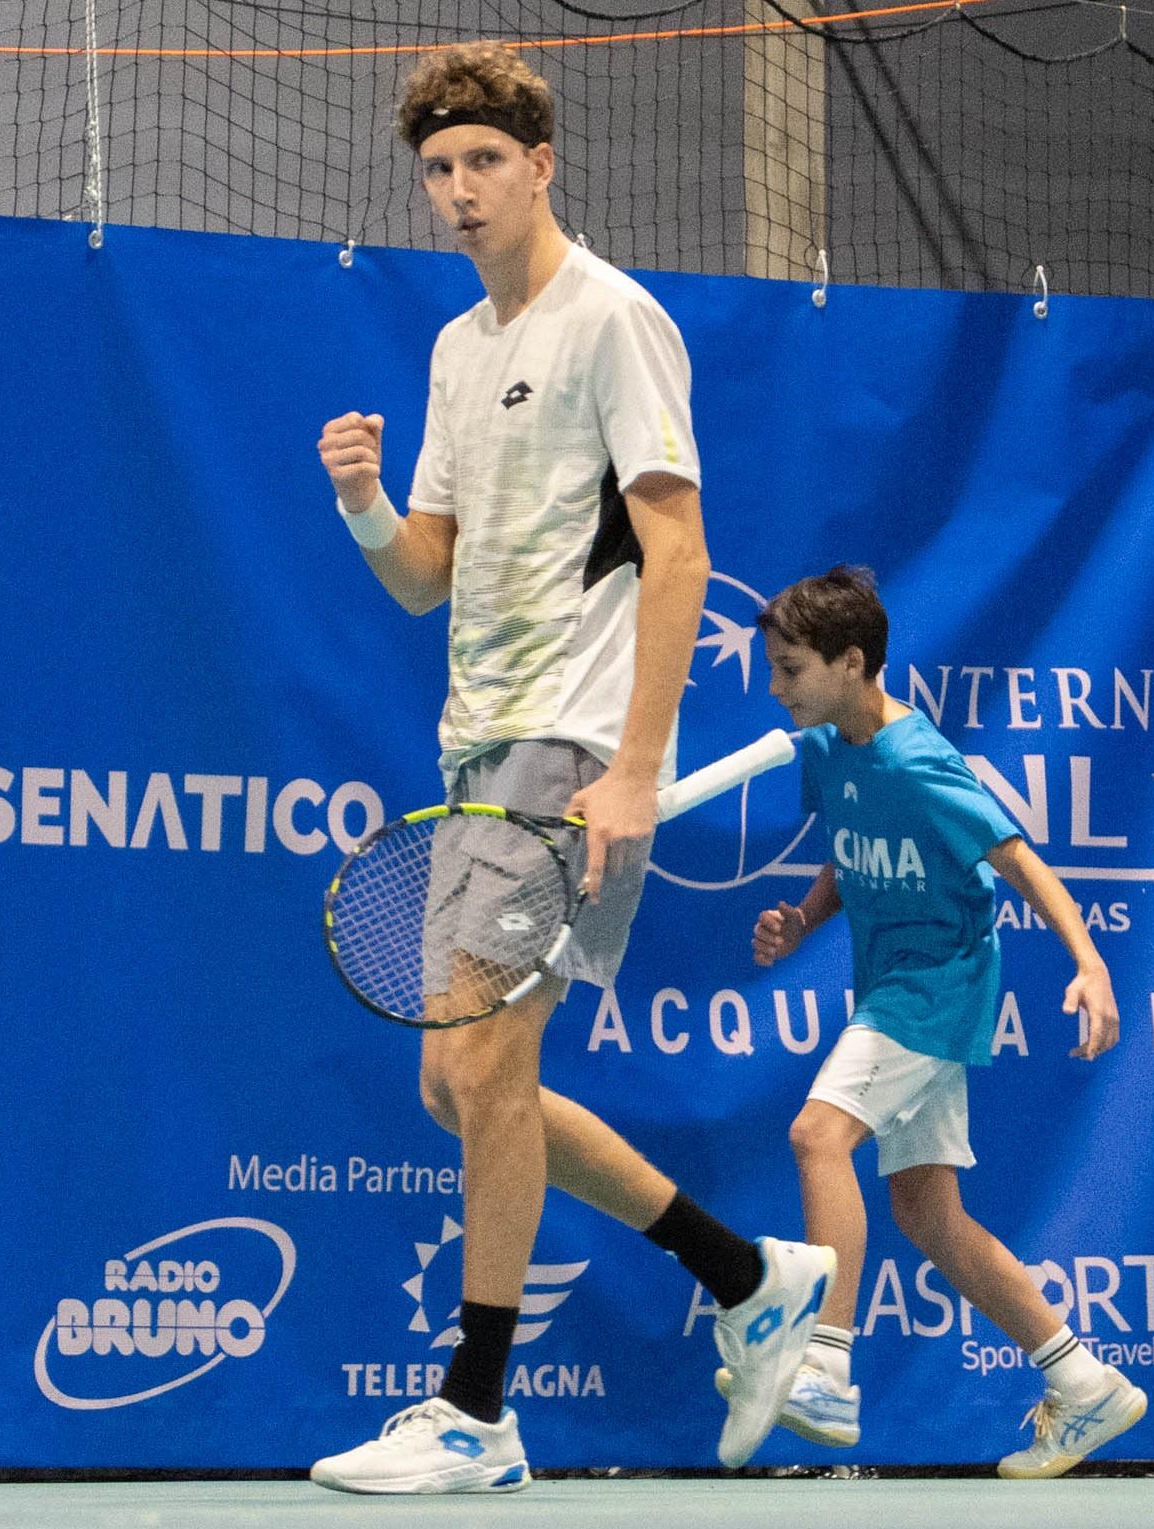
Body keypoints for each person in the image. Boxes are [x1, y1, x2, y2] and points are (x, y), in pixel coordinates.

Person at [306, 42, 830, 1494]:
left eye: (483, 162)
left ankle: (475, 1413)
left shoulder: (617, 322)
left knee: (484, 1061)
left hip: (575, 739)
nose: (459, 190)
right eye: (437, 170)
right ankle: (745, 1274)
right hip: (478, 743)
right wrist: (361, 504)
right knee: (455, 1088)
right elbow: (429, 576)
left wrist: (634, 763)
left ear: (542, 166)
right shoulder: (455, 353)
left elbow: (682, 549)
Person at [739, 564, 1147, 1479]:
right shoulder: (830, 748)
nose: (775, 687)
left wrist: (1089, 961)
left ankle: (829, 1370)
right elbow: (852, 848)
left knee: (817, 1135)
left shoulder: (921, 761)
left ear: (853, 663)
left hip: (936, 986)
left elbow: (1020, 860)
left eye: (792, 668)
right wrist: (804, 918)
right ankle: (1084, 1385)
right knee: (927, 1212)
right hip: (890, 979)